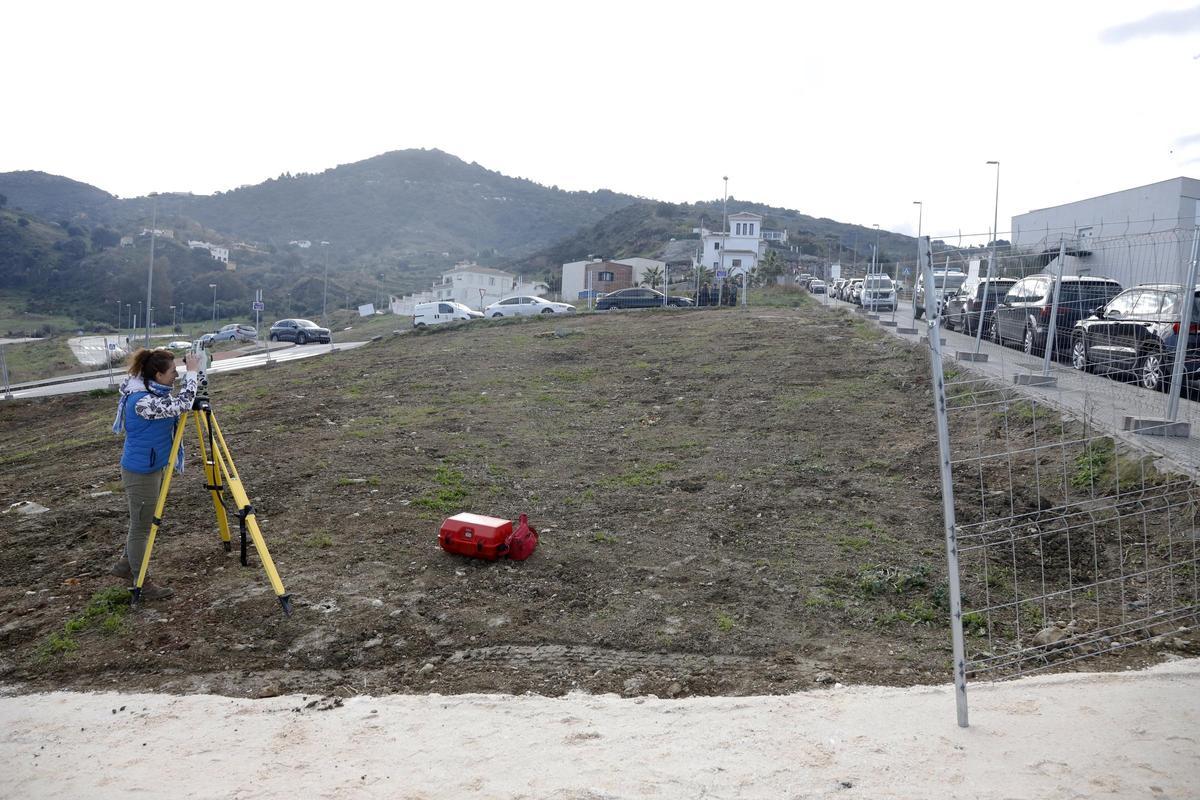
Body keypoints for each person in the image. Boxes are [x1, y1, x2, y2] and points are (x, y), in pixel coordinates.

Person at [109, 348, 203, 599]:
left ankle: (125, 565)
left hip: (152, 466)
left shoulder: (154, 392)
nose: (176, 376)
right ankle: (142, 583)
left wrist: (194, 375)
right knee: (142, 528)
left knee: (142, 522)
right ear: (158, 375)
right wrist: (192, 373)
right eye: (173, 372)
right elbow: (183, 404)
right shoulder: (143, 402)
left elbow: (180, 401)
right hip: (141, 472)